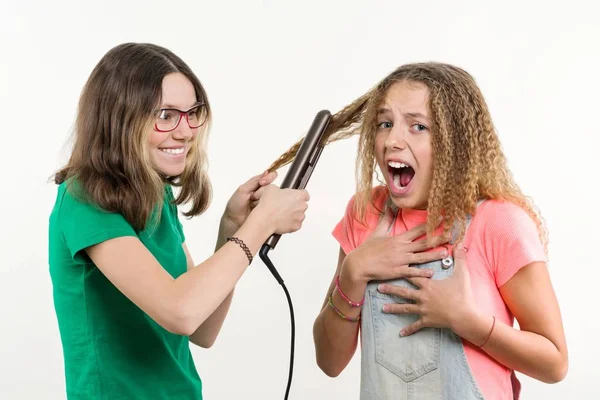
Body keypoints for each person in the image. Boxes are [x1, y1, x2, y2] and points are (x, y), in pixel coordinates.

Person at [268, 62, 568, 399]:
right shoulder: (365, 213)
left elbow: (554, 363)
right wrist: (352, 273)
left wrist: (466, 321)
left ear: (456, 142)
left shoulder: (498, 222)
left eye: (418, 126)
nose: (392, 140)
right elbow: (329, 361)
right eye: (385, 123)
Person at [48, 42, 310, 399]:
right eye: (166, 115)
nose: (186, 131)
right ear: (120, 119)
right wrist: (260, 224)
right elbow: (180, 312)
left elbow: (201, 328)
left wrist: (232, 228)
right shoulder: (85, 199)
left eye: (192, 113)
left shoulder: (156, 196)